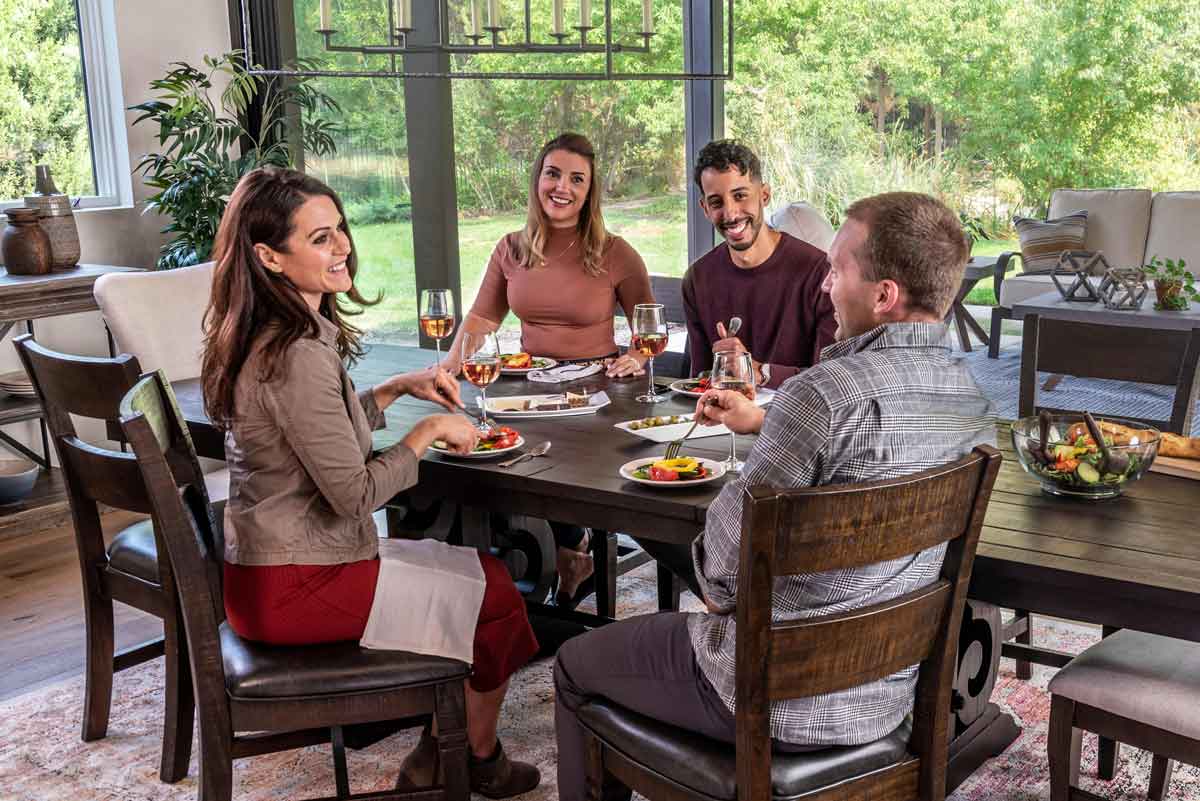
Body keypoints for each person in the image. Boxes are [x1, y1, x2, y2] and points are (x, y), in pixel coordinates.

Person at [553, 192, 997, 801]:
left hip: (768, 694)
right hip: (888, 697)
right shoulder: (973, 408)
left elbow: (718, 578)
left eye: (837, 269)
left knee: (575, 663)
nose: (824, 285)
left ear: (884, 295)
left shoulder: (820, 398)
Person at [201, 166, 540, 798]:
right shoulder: (297, 353)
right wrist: (427, 431)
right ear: (270, 257)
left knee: (477, 571)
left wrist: (388, 391)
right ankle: (473, 759)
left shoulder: (269, 336)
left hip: (269, 570)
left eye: (340, 232)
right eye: (320, 239)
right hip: (297, 583)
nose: (342, 248)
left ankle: (441, 749)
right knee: (495, 594)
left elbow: (308, 433)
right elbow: (355, 494)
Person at [441, 132, 655, 610]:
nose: (563, 187)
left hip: (598, 393)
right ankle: (518, 573)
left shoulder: (615, 252)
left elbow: (649, 325)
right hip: (527, 387)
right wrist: (451, 362)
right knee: (476, 449)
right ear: (538, 178)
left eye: (577, 179)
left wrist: (637, 356)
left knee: (552, 463)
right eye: (553, 174)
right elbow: (481, 320)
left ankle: (565, 551)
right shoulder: (511, 248)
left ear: (589, 190)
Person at [682, 140, 837, 390]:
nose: (731, 214)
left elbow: (831, 379)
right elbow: (700, 380)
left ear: (764, 195)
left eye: (740, 196)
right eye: (716, 202)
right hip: (720, 424)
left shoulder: (821, 274)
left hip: (799, 421)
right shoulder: (697, 279)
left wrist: (760, 372)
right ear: (704, 208)